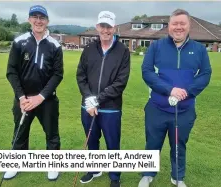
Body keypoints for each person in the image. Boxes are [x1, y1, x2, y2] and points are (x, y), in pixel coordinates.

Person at [138, 9, 212, 187]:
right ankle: (148, 174)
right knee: (152, 142)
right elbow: (146, 72)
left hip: (184, 110)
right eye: (175, 23)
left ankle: (177, 177)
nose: (178, 27)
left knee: (179, 145)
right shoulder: (156, 46)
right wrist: (169, 90)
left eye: (182, 23)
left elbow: (205, 74)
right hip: (157, 108)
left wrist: (186, 91)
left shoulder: (199, 50)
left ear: (189, 26)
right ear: (169, 26)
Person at [5, 5, 63, 181]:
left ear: (47, 21)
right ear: (29, 19)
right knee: (20, 132)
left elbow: (57, 74)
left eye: (42, 18)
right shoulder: (19, 42)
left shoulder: (55, 45)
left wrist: (41, 97)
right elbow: (11, 71)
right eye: (35, 17)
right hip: (23, 99)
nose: (38, 21)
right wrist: (22, 97)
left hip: (47, 99)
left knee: (52, 133)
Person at [76, 10, 130, 187]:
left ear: (114, 28)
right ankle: (94, 168)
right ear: (97, 27)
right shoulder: (89, 48)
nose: (105, 30)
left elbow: (120, 82)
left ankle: (114, 177)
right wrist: (89, 99)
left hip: (111, 108)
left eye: (109, 27)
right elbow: (81, 76)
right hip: (88, 107)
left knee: (112, 143)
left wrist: (97, 99)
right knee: (91, 140)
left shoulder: (123, 51)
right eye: (102, 26)